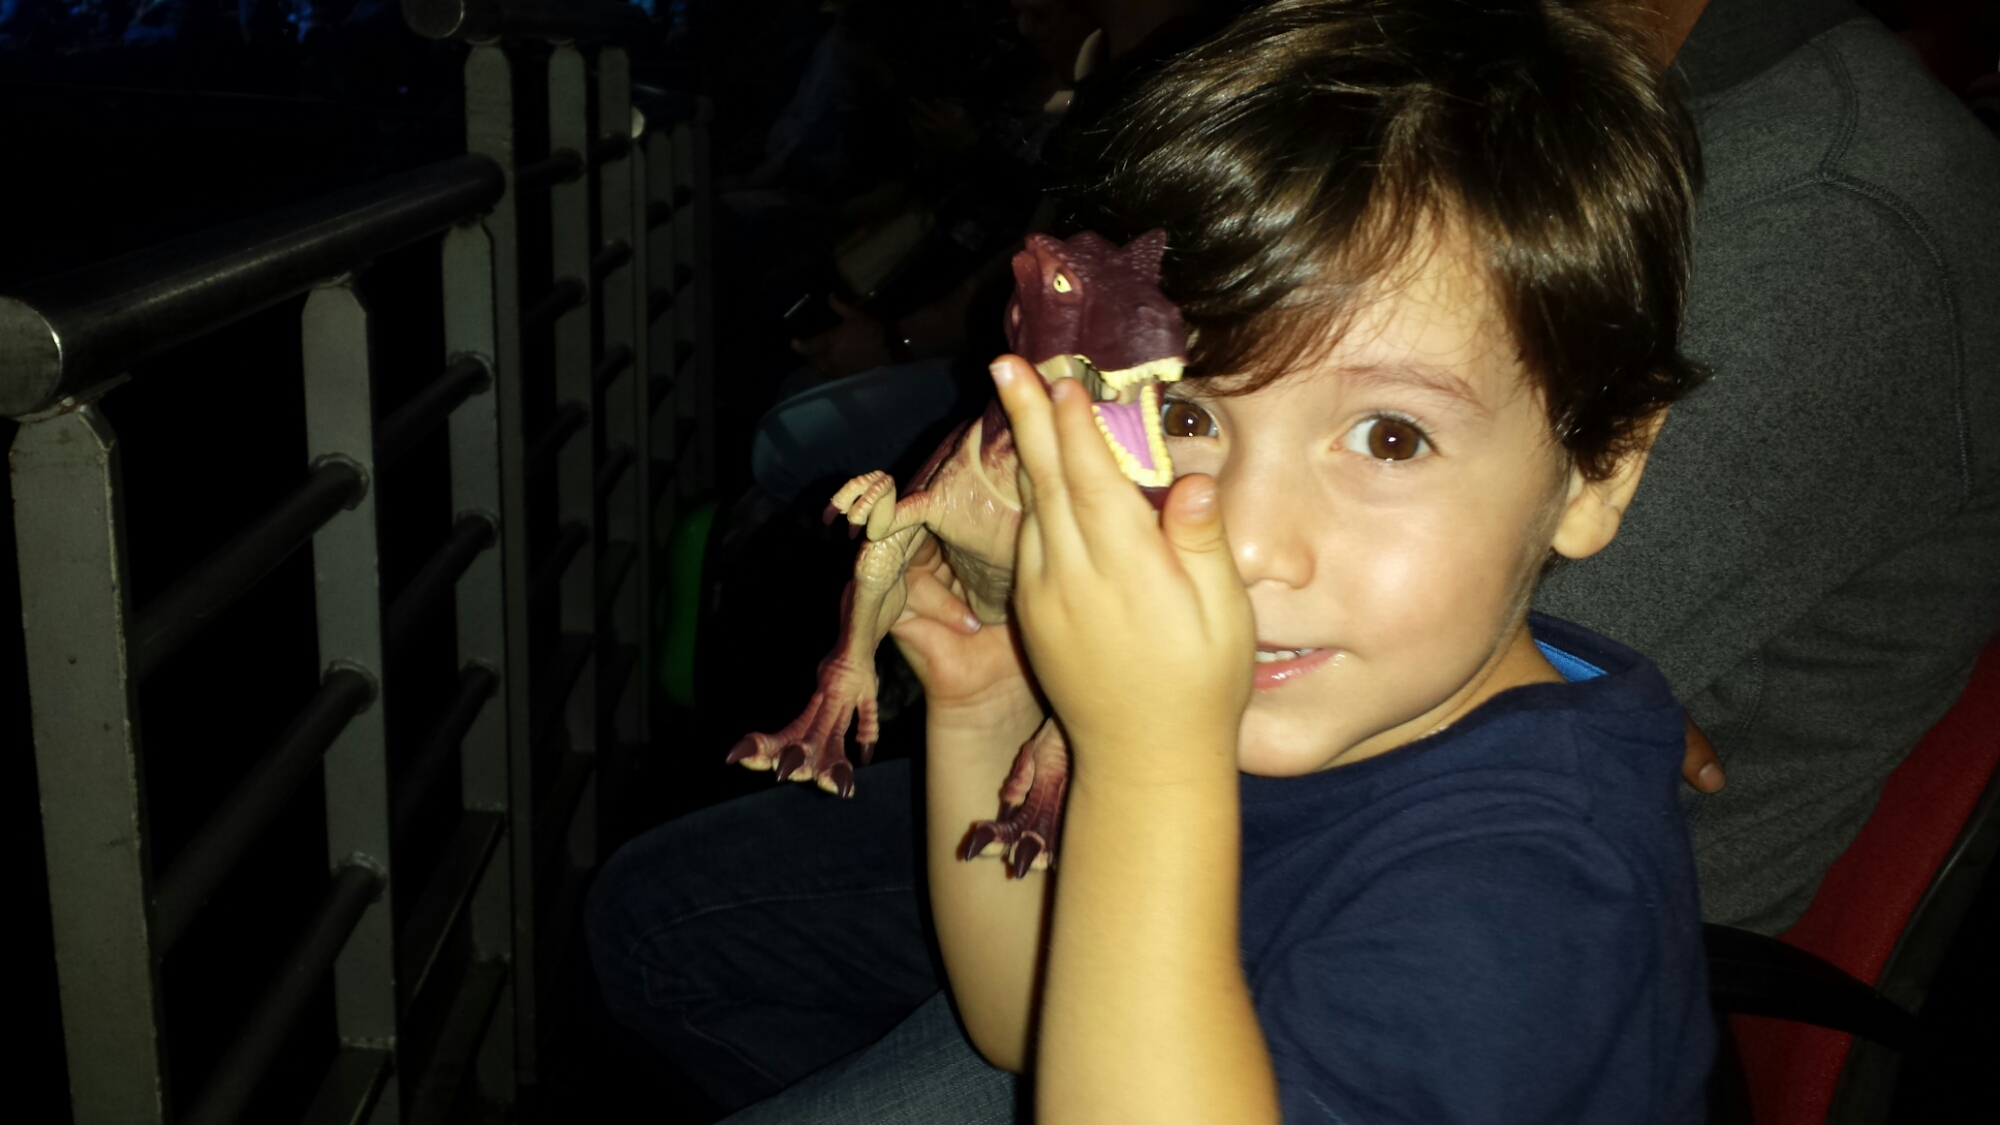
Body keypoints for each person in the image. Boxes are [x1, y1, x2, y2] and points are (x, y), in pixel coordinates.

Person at [595, 0, 1721, 1120]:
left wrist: (1148, 763)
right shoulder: (1310, 682)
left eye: (1390, 437)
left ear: (1600, 469)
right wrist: (987, 703)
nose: (1240, 541)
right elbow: (1023, 1019)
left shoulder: (1522, 903)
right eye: (1185, 417)